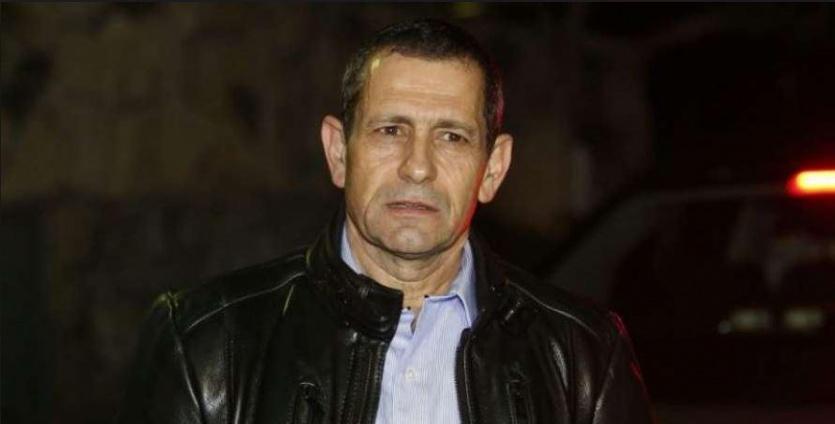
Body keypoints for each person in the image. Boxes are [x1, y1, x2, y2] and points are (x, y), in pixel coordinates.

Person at [118, 19, 654, 424]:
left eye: (451, 136)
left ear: (493, 169)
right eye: (390, 130)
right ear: (338, 152)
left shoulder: (586, 359)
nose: (417, 166)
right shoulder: (206, 344)